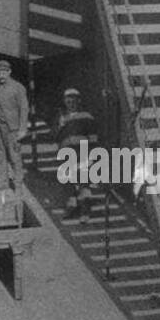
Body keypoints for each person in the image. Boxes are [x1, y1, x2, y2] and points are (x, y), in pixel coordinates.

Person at [54, 86, 99, 221]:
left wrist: (92, 157)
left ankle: (85, 213)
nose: (71, 102)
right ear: (64, 101)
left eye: (74, 99)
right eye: (68, 99)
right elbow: (55, 136)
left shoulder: (86, 116)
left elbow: (93, 137)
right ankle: (72, 210)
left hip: (82, 152)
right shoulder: (61, 118)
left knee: (83, 183)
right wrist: (59, 126)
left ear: (78, 101)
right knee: (69, 182)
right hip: (66, 153)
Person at [0, 59, 29, 193]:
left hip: (11, 128)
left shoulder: (18, 87)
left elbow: (24, 109)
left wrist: (22, 129)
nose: (1, 74)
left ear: (9, 72)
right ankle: (2, 182)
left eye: (4, 72)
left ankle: (18, 185)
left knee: (14, 156)